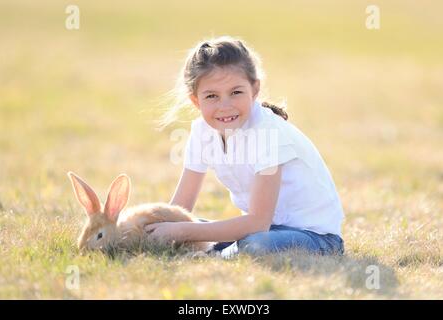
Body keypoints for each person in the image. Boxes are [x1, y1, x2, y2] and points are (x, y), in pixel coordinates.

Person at [145, 36, 344, 258]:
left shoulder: (268, 134)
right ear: (195, 101)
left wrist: (183, 231)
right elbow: (180, 210)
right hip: (260, 230)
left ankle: (216, 255)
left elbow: (259, 222)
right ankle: (219, 250)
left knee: (255, 244)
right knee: (185, 229)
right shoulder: (202, 131)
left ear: (255, 89)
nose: (225, 106)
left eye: (236, 92)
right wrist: (154, 229)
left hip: (312, 236)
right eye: (211, 96)